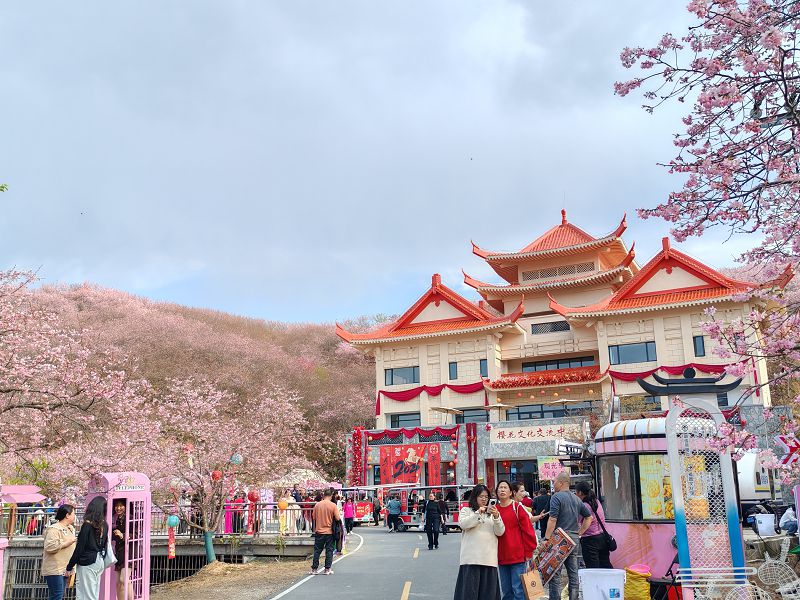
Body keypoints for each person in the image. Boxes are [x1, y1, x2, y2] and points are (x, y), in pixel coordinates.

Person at [541, 472, 591, 600]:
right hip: (573, 539)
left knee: (554, 574)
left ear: (562, 483)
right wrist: (579, 532)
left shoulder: (556, 497)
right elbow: (588, 517)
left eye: (555, 482)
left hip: (560, 539)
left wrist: (546, 539)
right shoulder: (576, 499)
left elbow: (552, 519)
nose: (554, 484)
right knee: (573, 573)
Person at [453, 485, 505, 600]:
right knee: (469, 595)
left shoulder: (493, 514)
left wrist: (496, 517)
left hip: (489, 560)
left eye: (486, 496)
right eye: (481, 496)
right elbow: (463, 524)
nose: (484, 499)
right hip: (471, 560)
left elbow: (500, 532)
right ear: (475, 497)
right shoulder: (466, 511)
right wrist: (478, 513)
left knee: (488, 595)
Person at [495, 480, 537, 600]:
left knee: (518, 590)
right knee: (506, 591)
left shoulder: (517, 507)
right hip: (501, 556)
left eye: (505, 488)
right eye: (500, 488)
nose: (502, 490)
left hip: (518, 556)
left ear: (510, 492)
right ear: (496, 492)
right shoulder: (494, 509)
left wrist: (529, 552)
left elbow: (528, 531)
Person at [66, 496, 112, 600]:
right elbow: (104, 544)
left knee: (86, 594)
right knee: (93, 592)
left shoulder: (87, 525)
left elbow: (80, 548)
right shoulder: (105, 525)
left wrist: (70, 566)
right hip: (99, 561)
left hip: (87, 562)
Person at [42, 504, 77, 600]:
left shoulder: (69, 528)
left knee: (59, 595)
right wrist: (66, 543)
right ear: (67, 515)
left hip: (64, 569)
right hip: (55, 569)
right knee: (57, 595)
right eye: (73, 513)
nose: (75, 516)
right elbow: (49, 546)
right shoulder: (54, 529)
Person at [574, 481, 613, 569]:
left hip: (590, 540)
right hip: (603, 537)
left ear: (580, 493)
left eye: (576, 492)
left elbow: (578, 520)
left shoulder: (584, 506)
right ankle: (609, 582)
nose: (576, 494)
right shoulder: (596, 501)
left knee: (593, 568)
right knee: (605, 565)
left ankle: (596, 583)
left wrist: (579, 533)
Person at [310, 488, 341, 575]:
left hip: (319, 531)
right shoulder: (333, 505)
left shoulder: (317, 505)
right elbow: (338, 518)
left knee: (317, 550)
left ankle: (314, 569)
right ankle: (327, 569)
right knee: (329, 550)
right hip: (329, 531)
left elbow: (314, 517)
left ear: (323, 495)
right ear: (331, 496)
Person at [111, 500, 136, 599]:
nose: (118, 508)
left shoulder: (131, 518)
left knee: (124, 579)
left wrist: (123, 535)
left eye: (121, 506)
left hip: (129, 552)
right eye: (116, 506)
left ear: (126, 506)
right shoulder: (117, 519)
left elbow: (136, 534)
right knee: (118, 582)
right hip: (119, 552)